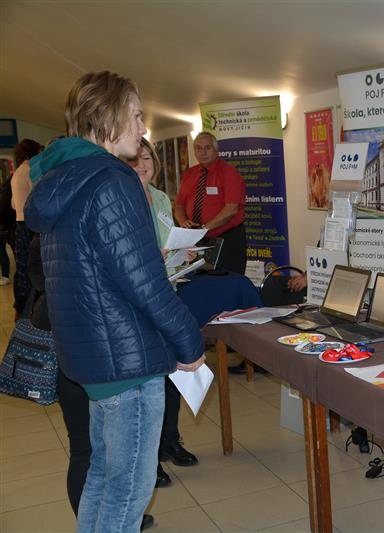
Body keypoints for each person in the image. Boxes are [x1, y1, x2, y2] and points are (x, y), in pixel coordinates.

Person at [25, 70, 205, 533]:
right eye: (137, 116)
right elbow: (145, 282)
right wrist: (189, 343)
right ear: (108, 117)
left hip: (91, 358)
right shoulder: (112, 181)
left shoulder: (62, 179)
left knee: (103, 480)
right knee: (127, 490)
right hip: (128, 360)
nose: (143, 129)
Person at [127, 138, 200, 484]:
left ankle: (170, 440)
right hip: (139, 304)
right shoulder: (121, 198)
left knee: (172, 377)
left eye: (148, 159)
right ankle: (150, 458)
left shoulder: (158, 198)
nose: (144, 165)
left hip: (167, 294)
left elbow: (166, 242)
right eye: (136, 159)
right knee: (148, 385)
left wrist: (180, 253)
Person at [174, 132, 246, 274]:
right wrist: (183, 222)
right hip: (196, 240)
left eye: (207, 148)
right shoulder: (189, 174)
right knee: (199, 282)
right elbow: (178, 205)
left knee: (227, 282)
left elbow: (232, 208)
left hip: (226, 239)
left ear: (216, 150)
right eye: (198, 148)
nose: (203, 152)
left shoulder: (229, 173)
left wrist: (206, 227)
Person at [9, 139, 44, 315]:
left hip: (19, 224)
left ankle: (19, 306)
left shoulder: (16, 173)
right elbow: (38, 198)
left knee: (22, 267)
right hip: (31, 225)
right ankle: (30, 307)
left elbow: (14, 204)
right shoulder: (32, 170)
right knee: (34, 268)